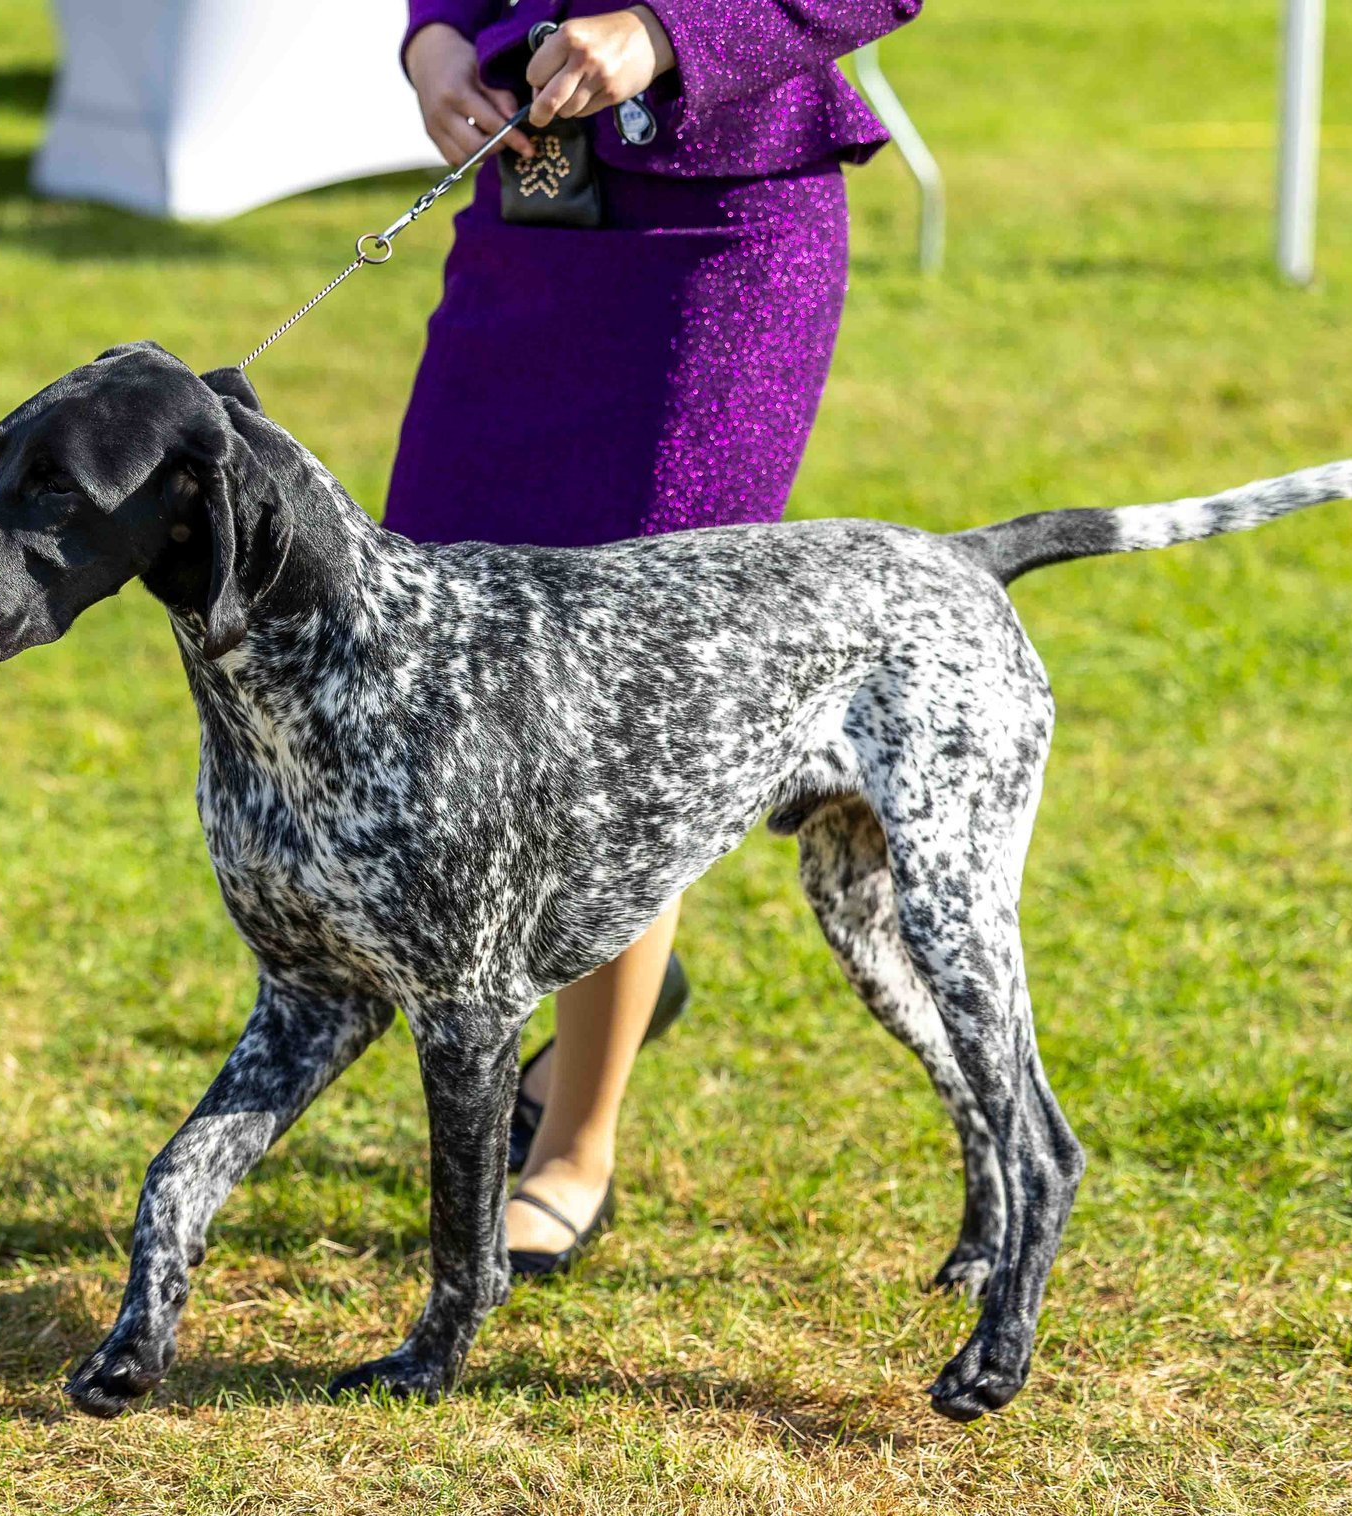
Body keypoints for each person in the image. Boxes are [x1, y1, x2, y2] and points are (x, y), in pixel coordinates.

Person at [390, 0, 924, 1274]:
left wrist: (664, 29)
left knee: (623, 717)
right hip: (525, 219)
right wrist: (434, 43)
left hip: (722, 247)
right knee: (439, 659)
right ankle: (608, 990)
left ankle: (574, 1145)